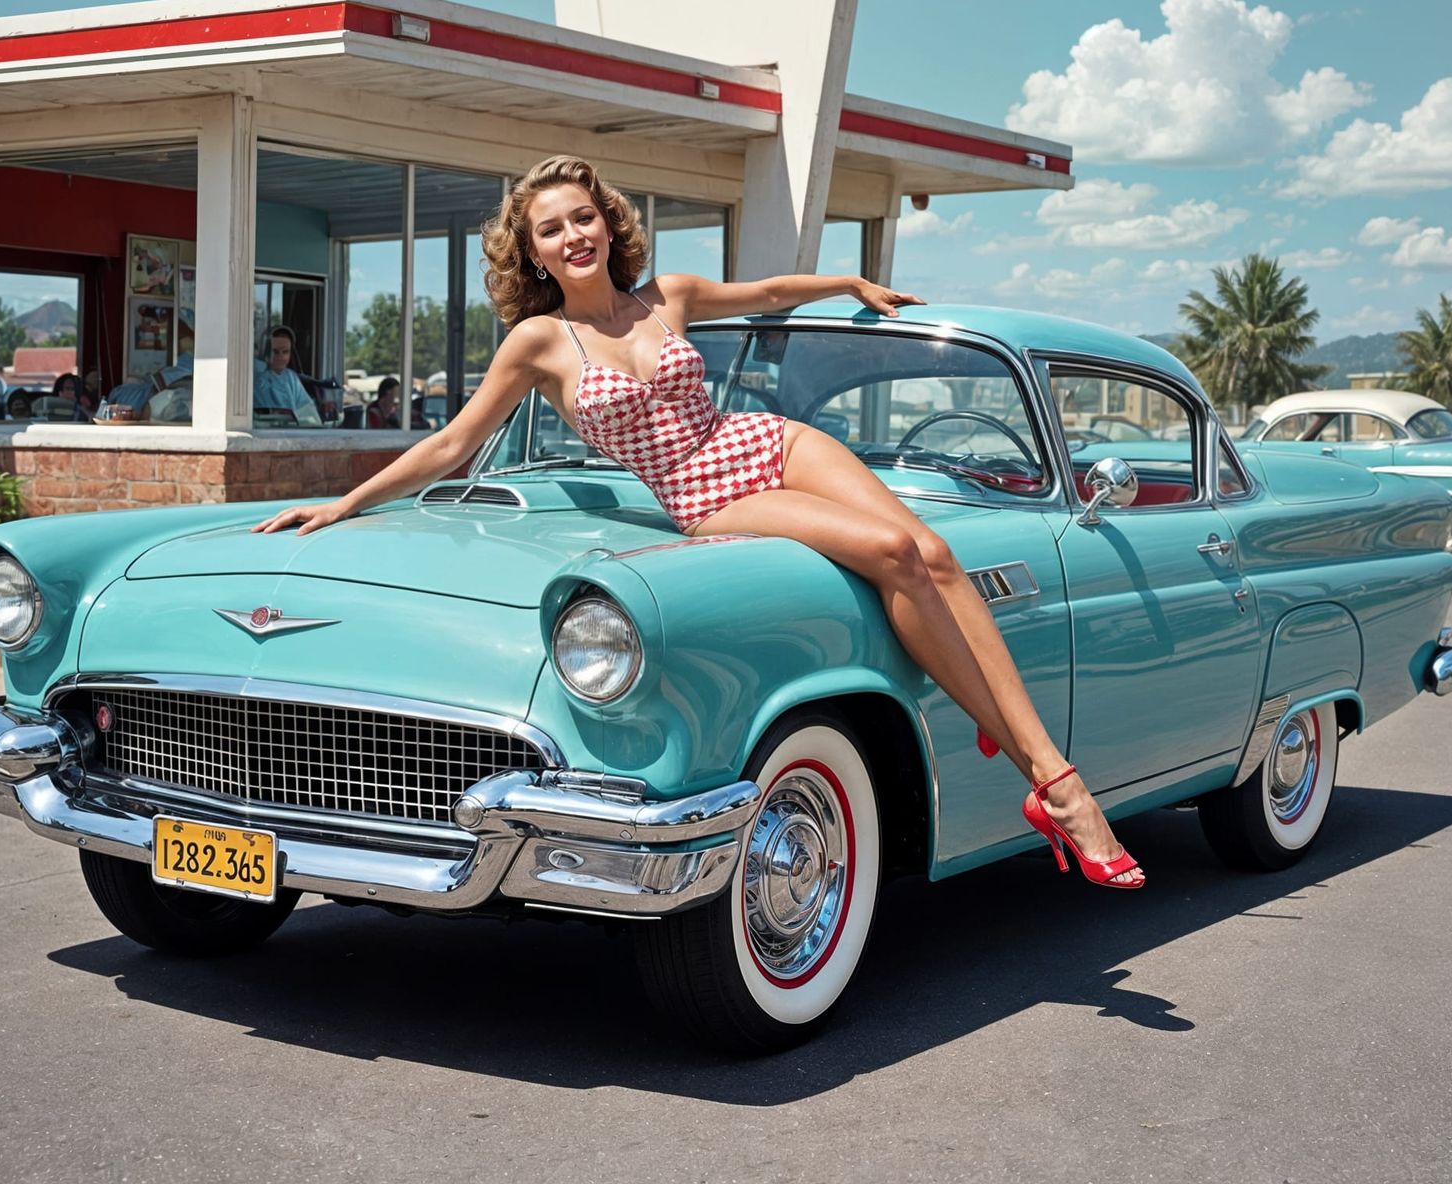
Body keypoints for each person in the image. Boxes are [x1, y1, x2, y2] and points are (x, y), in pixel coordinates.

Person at [253, 155, 1142, 890]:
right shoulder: (538, 343)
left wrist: (846, 279)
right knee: (888, 552)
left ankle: (1028, 750)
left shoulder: (665, 296)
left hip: (770, 441)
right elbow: (452, 442)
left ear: (609, 223)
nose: (572, 236)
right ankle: (1056, 787)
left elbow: (765, 292)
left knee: (933, 549)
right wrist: (348, 500)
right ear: (531, 253)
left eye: (582, 218)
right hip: (705, 494)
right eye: (550, 229)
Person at [254, 326, 312, 415]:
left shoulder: (291, 378)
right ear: (265, 351)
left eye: (285, 352)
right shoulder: (257, 378)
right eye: (275, 351)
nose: (280, 356)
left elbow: (307, 409)